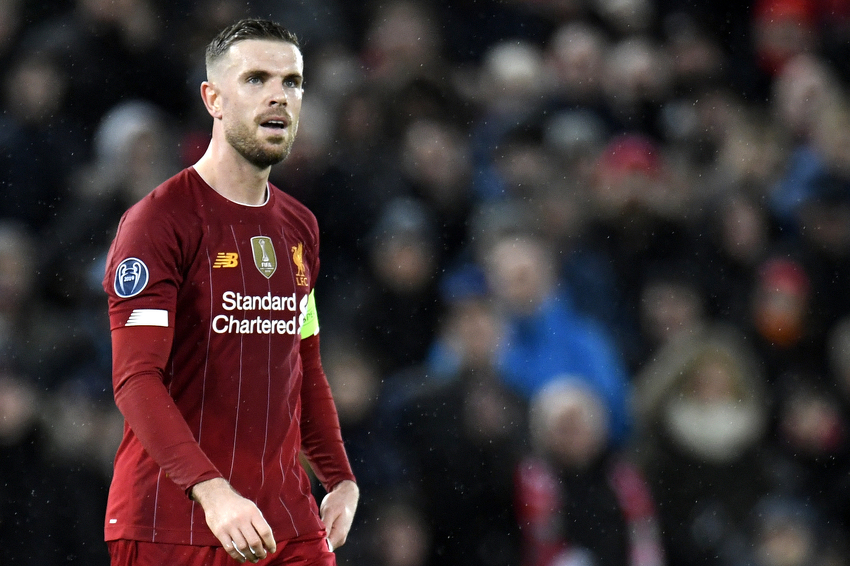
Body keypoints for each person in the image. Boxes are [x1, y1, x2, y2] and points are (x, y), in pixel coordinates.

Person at [101, 18, 358, 566]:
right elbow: (135, 379)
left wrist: (339, 477)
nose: (278, 96)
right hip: (171, 526)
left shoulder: (300, 227)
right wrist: (213, 492)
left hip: (285, 523)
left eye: (291, 82)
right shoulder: (157, 222)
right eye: (256, 79)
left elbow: (303, 364)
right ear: (212, 98)